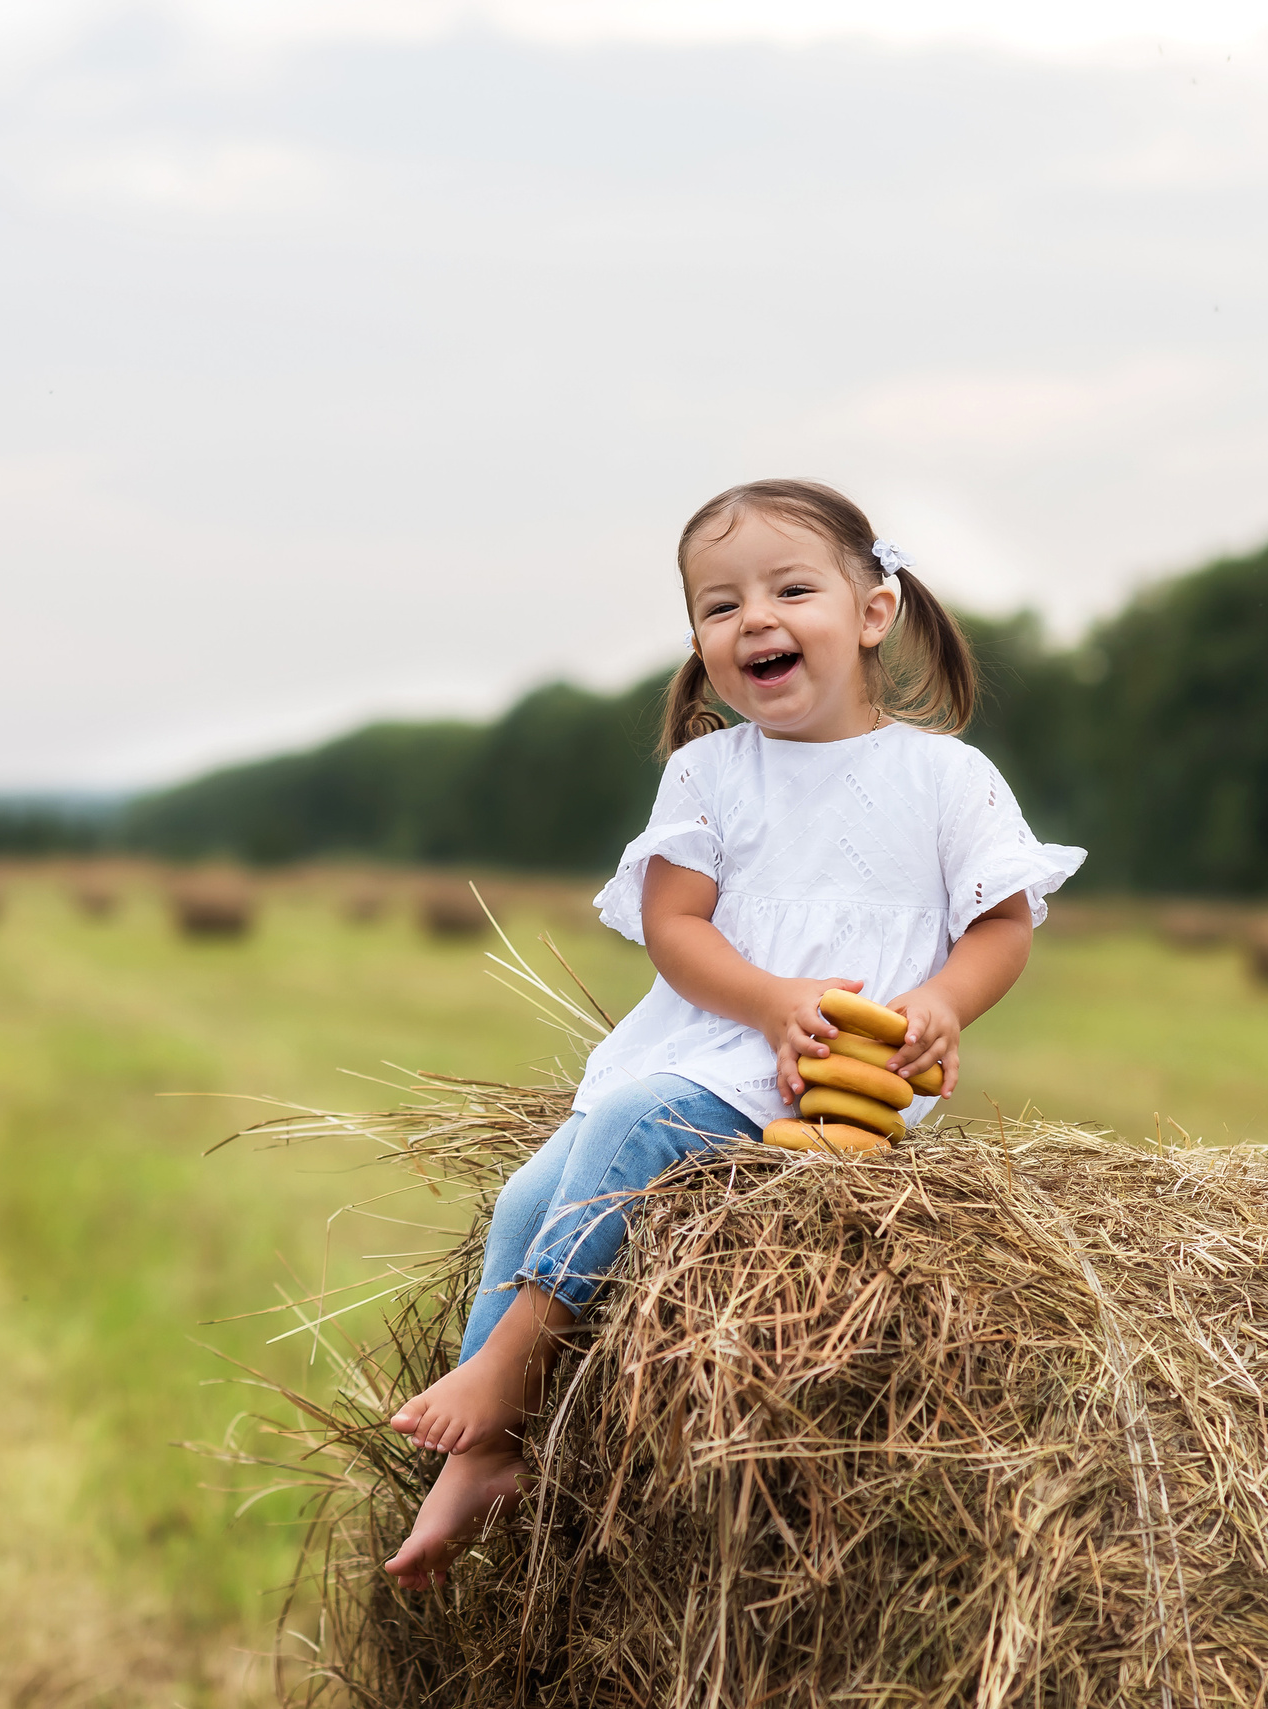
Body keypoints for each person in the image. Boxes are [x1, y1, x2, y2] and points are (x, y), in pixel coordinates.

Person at [381, 478, 1084, 1589]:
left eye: (790, 590)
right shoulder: (707, 771)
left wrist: (945, 1001)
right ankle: (488, 1454)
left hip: (829, 1082)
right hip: (713, 1040)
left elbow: (1000, 925)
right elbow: (675, 926)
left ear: (874, 610)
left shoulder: (946, 776)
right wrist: (763, 1000)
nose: (754, 617)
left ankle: (504, 1380)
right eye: (719, 605)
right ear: (700, 642)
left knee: (632, 1122)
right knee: (524, 1198)